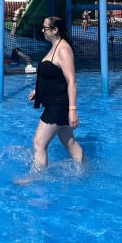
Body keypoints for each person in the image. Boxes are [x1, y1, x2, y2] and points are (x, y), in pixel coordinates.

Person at [26, 17, 84, 169]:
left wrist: (72, 110)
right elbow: (54, 76)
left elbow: (71, 81)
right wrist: (38, 91)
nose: (42, 31)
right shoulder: (54, 47)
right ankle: (85, 170)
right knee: (69, 142)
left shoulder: (63, 49)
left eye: (45, 28)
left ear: (55, 30)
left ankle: (36, 178)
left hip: (59, 105)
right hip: (55, 102)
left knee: (39, 143)